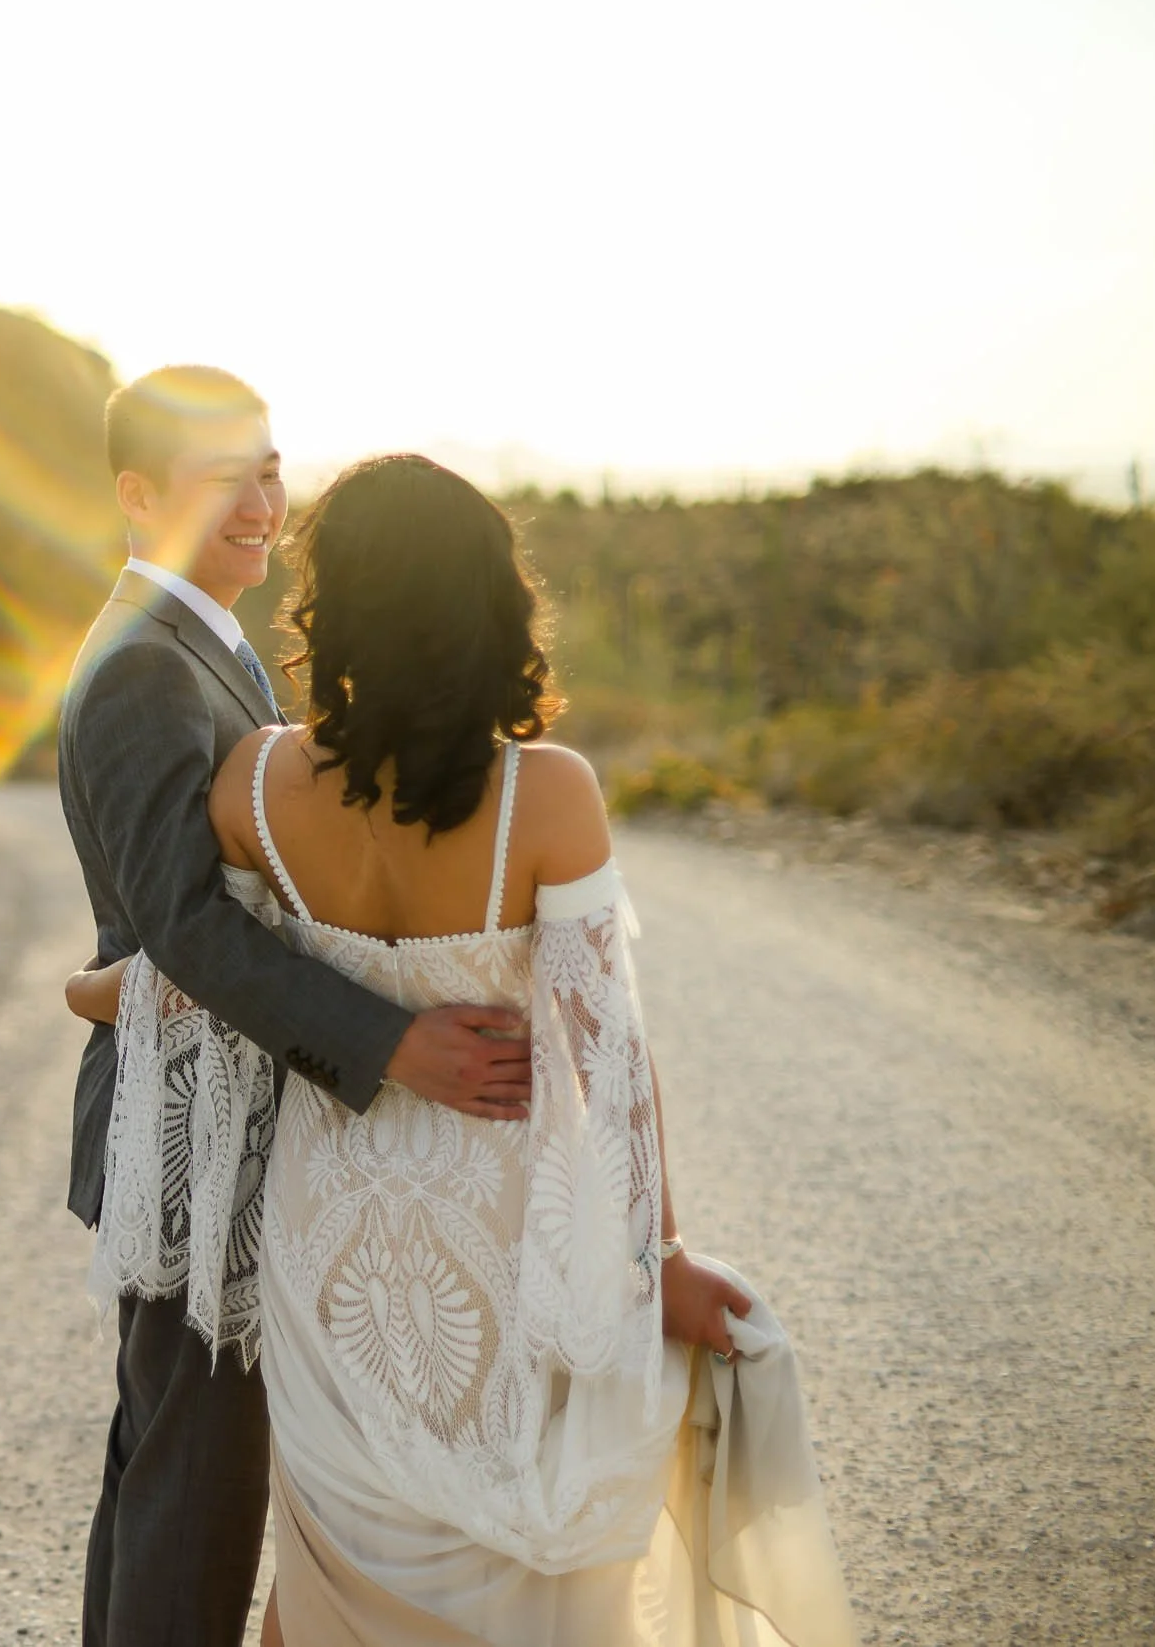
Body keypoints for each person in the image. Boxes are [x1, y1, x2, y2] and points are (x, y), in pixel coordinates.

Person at [68, 454, 857, 1645]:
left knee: (334, 1562)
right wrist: (660, 1259)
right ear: (494, 605)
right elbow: (610, 1060)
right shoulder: (549, 794)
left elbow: (208, 970)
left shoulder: (256, 783)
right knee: (500, 1563)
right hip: (496, 1234)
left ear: (332, 612)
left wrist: (92, 989)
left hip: (324, 1244)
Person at [56, 370, 539, 1647]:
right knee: (196, 1489)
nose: (261, 502)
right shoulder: (138, 672)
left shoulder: (203, 646)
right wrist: (390, 1043)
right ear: (137, 493)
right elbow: (187, 923)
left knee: (166, 1472)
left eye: (269, 469)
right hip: (187, 1138)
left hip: (229, 1113)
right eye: (224, 477)